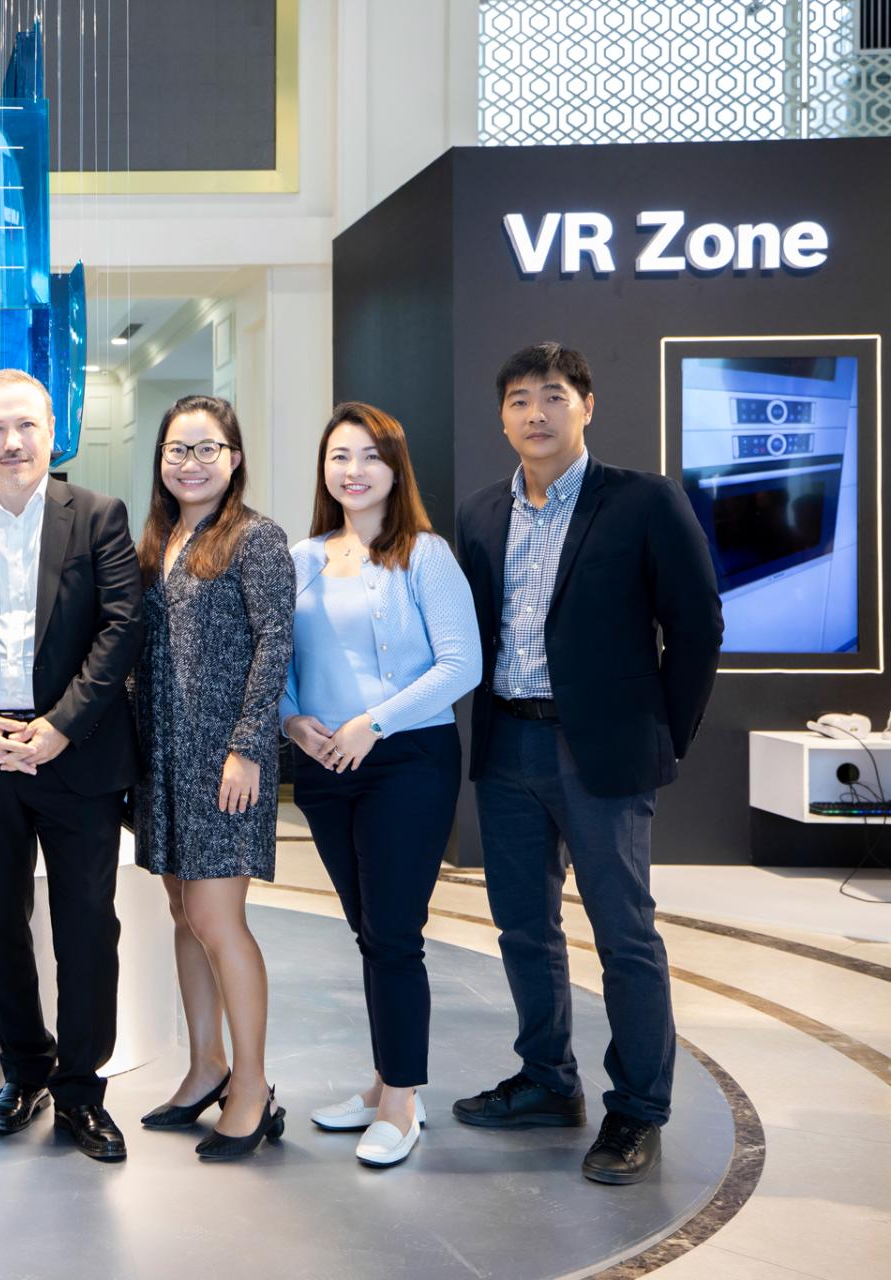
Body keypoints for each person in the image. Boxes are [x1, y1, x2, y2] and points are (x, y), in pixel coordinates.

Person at [451, 342, 721, 1185]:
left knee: (624, 935)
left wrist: (662, 733)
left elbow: (698, 624)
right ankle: (546, 1079)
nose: (536, 413)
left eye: (553, 396)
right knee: (523, 927)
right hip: (507, 743)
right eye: (519, 400)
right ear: (502, 417)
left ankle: (638, 1110)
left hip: (601, 750)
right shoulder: (481, 513)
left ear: (587, 406)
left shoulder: (643, 500)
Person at [0, 368, 143, 1163]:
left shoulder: (100, 517)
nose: (13, 442)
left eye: (27, 426)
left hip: (77, 758)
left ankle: (81, 1090)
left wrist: (62, 727)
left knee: (87, 931)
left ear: (53, 433)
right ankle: (26, 1069)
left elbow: (121, 629)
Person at [280, 402, 481, 1169]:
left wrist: (376, 722)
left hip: (408, 761)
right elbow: (276, 661)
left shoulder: (424, 554)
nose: (354, 470)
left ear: (396, 469)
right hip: (323, 767)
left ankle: (401, 1101)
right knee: (369, 931)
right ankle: (384, 1082)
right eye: (340, 455)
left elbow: (462, 665)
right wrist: (293, 722)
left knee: (395, 934)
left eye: (370, 455)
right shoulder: (299, 558)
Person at [129, 395, 294, 1162]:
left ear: (234, 458)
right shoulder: (158, 539)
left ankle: (252, 1089)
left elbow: (275, 643)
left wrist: (249, 747)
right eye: (177, 449)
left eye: (206, 449)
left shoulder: (257, 538)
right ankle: (206, 1067)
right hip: (162, 756)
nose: (190, 463)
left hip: (225, 759)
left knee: (218, 919)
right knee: (182, 913)